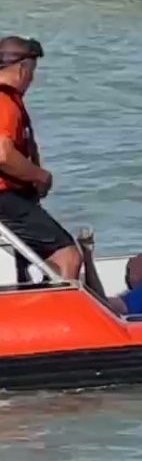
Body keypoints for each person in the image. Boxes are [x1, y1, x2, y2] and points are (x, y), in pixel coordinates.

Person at [0, 36, 82, 280]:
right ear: (23, 68)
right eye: (32, 71)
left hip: (15, 198)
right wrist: (41, 175)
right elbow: (2, 154)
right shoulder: (4, 100)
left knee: (34, 261)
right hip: (5, 198)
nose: (32, 80)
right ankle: (62, 314)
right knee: (67, 256)